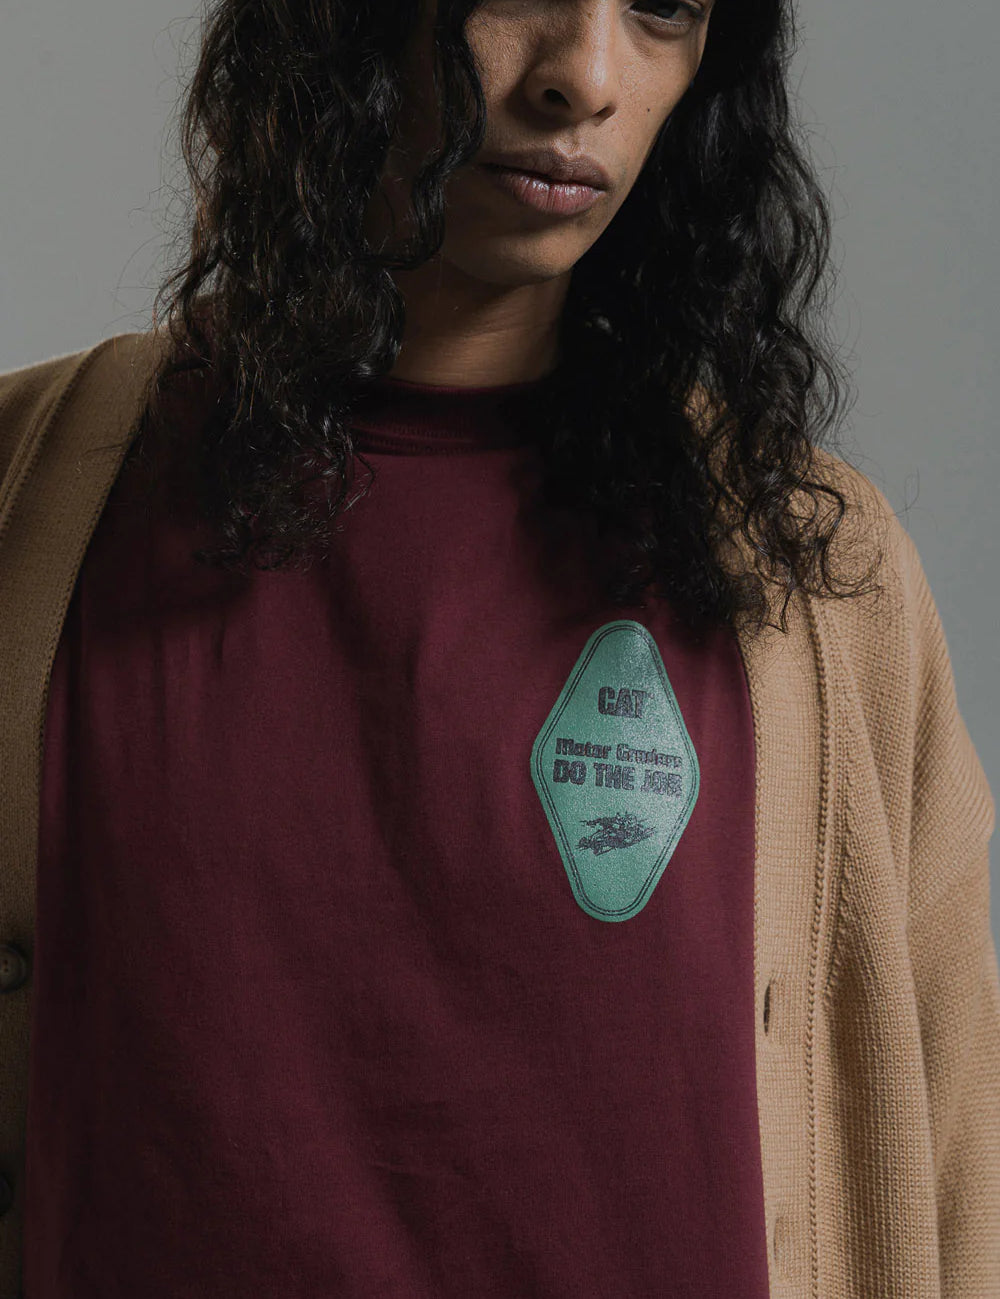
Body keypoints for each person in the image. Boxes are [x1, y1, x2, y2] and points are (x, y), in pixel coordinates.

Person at [0, 0, 997, 1295]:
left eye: (662, 9)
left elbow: (959, 1172)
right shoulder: (30, 508)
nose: (586, 76)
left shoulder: (821, 581)